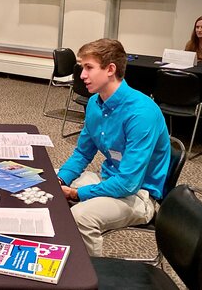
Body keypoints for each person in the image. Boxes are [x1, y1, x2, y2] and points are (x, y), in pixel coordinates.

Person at [56, 38, 170, 257]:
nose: (82, 75)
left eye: (88, 68)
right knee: (48, 183)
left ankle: (91, 277)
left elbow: (128, 183)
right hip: (109, 180)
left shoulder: (141, 113)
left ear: (110, 69)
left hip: (139, 194)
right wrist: (61, 180)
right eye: (82, 68)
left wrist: (77, 193)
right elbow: (82, 152)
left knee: (81, 217)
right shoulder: (94, 103)